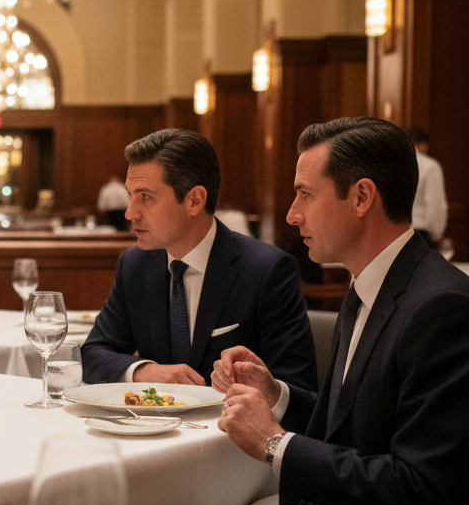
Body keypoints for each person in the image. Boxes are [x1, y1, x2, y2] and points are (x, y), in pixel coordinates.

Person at [210, 117, 469, 505]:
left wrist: (275, 444)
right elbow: (354, 426)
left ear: (362, 195)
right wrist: (275, 397)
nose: (293, 213)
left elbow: (423, 491)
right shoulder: (374, 283)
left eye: (305, 194)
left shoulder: (443, 309)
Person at [81, 129, 317, 390]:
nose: (130, 212)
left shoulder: (265, 270)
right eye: (131, 195)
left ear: (194, 200)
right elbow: (93, 354)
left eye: (146, 197)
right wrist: (144, 372)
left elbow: (298, 388)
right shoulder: (135, 264)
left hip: (227, 428)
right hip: (150, 427)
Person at [405, 126, 447, 244]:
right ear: (423, 145)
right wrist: (437, 234)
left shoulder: (388, 164)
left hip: (391, 233)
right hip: (419, 233)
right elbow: (435, 205)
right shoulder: (430, 166)